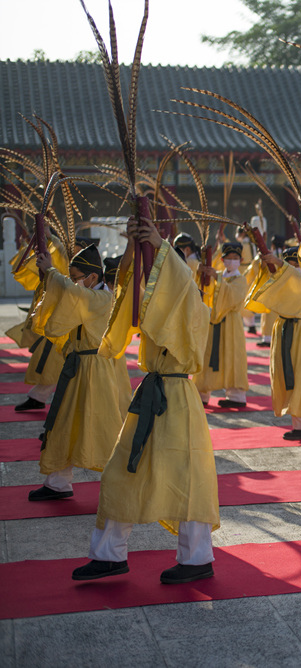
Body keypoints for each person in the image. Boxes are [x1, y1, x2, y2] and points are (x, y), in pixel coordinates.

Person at [73, 216, 218, 584]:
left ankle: (196, 559)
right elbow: (131, 297)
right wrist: (132, 253)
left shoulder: (191, 300)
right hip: (151, 391)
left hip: (178, 398)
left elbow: (179, 282)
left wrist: (158, 243)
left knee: (188, 480)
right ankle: (108, 554)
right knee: (122, 469)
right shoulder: (168, 297)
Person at [26, 244, 130, 501]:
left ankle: (121, 482)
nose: (74, 283)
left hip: (95, 370)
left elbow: (73, 293)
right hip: (81, 367)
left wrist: (50, 271)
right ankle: (57, 482)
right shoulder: (93, 294)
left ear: (92, 277)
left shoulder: (103, 298)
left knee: (103, 427)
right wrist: (51, 273)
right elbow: (72, 293)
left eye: (77, 277)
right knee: (64, 423)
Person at [248, 245, 301, 440]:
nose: (293, 267)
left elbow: (298, 280)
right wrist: (267, 266)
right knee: (284, 375)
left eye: (296, 263)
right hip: (282, 328)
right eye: (290, 263)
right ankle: (298, 423)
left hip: (299, 331)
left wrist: (280, 264)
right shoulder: (285, 279)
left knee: (300, 376)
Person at [7, 232, 70, 412]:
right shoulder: (62, 270)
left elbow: (60, 254)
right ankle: (38, 396)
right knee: (51, 363)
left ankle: (42, 398)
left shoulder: (67, 268)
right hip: (57, 322)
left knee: (56, 363)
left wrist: (48, 235)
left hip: (66, 324)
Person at [193, 242, 250, 408]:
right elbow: (205, 293)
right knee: (208, 353)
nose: (232, 261)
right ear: (222, 259)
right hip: (213, 320)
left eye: (235, 258)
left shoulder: (240, 279)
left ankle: (236, 396)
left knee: (233, 356)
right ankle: (202, 392)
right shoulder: (216, 275)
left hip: (231, 323)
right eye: (228, 258)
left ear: (241, 260)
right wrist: (201, 275)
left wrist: (217, 278)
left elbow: (234, 297)